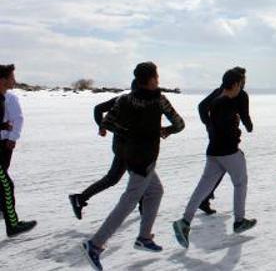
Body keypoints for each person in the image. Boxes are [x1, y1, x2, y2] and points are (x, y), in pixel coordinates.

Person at [82, 62, 184, 271]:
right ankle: (94, 244)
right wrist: (165, 130)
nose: (158, 80)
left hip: (129, 155)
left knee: (156, 191)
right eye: (156, 77)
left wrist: (129, 133)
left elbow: (107, 122)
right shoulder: (160, 100)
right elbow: (180, 124)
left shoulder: (124, 99)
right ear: (150, 80)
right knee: (128, 202)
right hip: (145, 159)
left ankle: (144, 237)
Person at [173, 69, 257, 248]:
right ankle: (239, 221)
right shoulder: (226, 104)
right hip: (228, 152)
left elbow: (214, 122)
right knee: (240, 184)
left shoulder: (216, 101)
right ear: (235, 85)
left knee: (202, 188)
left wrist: (212, 128)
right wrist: (238, 134)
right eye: (241, 84)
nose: (242, 87)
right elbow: (228, 128)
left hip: (213, 152)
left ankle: (185, 221)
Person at [69, 83, 144, 220]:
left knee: (121, 178)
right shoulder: (126, 101)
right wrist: (101, 126)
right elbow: (98, 109)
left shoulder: (123, 99)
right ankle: (143, 207)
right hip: (126, 148)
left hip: (124, 147)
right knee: (133, 177)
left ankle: (79, 199)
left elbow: (98, 109)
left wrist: (101, 126)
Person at [196, 67, 253, 215]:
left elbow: (202, 107)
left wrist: (209, 125)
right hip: (226, 137)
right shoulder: (240, 95)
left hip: (218, 134)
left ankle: (204, 198)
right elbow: (244, 114)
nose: (244, 82)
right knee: (225, 167)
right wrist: (249, 126)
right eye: (243, 80)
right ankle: (205, 200)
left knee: (219, 166)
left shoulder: (219, 91)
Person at [0, 64, 36, 237]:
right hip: (2, 144)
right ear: (3, 80)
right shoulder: (4, 99)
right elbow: (18, 119)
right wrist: (9, 133)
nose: (15, 80)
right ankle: (12, 226)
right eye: (12, 77)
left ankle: (10, 220)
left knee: (4, 183)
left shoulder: (4, 98)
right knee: (6, 185)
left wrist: (5, 127)